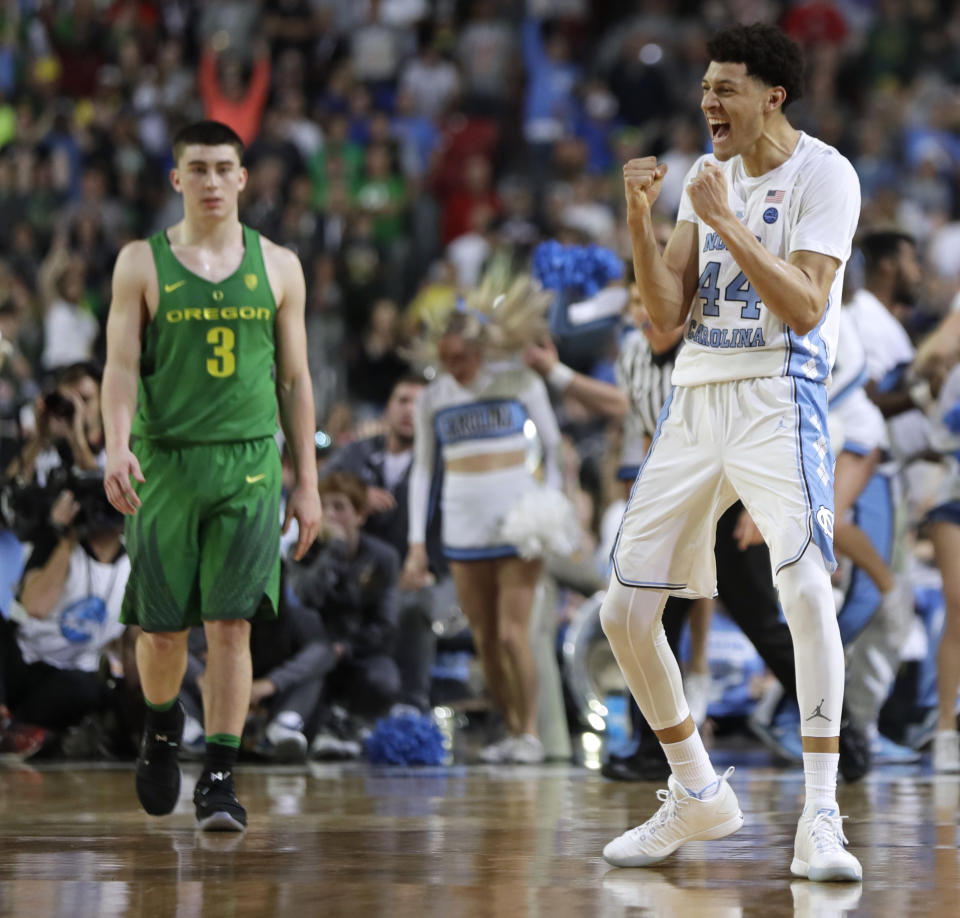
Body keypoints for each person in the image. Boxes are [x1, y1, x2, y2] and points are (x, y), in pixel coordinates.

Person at [601, 24, 861, 881]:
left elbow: (808, 308)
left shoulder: (824, 174)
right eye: (705, 87)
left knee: (805, 587)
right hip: (695, 398)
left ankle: (820, 813)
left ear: (772, 97)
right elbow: (664, 316)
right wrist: (642, 221)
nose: (708, 102)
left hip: (775, 395)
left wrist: (727, 225)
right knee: (623, 611)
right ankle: (696, 790)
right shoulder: (703, 179)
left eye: (726, 89)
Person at [101, 120, 321, 831]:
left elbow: (295, 379)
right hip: (165, 460)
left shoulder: (280, 264)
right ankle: (163, 729)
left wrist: (309, 481)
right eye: (197, 168)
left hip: (250, 464)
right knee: (163, 634)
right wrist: (114, 444)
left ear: (243, 178)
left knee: (231, 627)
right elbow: (119, 367)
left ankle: (220, 777)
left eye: (224, 168)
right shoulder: (140, 261)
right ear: (177, 179)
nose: (212, 181)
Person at [404, 275, 562, 765]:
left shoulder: (520, 382)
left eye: (463, 359)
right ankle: (511, 728)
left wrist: (549, 505)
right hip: (462, 525)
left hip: (517, 522)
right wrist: (416, 542)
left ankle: (531, 732)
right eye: (446, 360)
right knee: (486, 640)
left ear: (480, 350)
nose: (454, 368)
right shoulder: (434, 398)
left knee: (515, 633)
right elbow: (423, 471)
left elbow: (553, 448)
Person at [285, 471, 402, 759]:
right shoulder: (301, 550)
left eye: (340, 507)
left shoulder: (383, 557)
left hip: (358, 651)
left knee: (384, 678)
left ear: (360, 515)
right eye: (324, 506)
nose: (331, 515)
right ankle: (315, 724)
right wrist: (333, 551)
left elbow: (386, 624)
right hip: (310, 653)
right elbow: (307, 597)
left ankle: (350, 721)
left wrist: (346, 647)